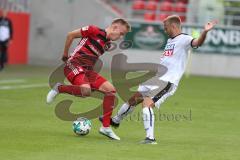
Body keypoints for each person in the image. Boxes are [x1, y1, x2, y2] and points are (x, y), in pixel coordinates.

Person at [106, 15, 217, 144]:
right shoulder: (170, 41)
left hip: (167, 82)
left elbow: (197, 43)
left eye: (166, 28)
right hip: (156, 78)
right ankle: (116, 121)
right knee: (134, 98)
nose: (165, 31)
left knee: (147, 104)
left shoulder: (184, 39)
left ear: (173, 26)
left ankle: (150, 138)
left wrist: (205, 32)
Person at [46, 18, 131, 140]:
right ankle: (59, 88)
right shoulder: (93, 30)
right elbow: (70, 35)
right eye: (121, 34)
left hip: (87, 71)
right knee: (86, 91)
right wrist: (65, 54)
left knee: (110, 90)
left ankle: (106, 127)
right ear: (115, 27)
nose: (121, 37)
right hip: (73, 64)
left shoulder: (106, 44)